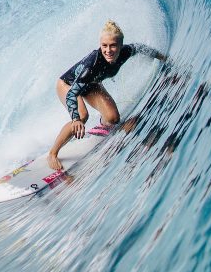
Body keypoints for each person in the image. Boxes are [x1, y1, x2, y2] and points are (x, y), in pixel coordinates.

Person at [48, 20, 166, 171]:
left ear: (120, 45)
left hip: (90, 84)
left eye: (113, 45)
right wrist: (76, 118)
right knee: (83, 116)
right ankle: (52, 153)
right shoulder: (91, 66)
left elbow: (141, 48)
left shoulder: (126, 51)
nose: (108, 50)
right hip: (68, 85)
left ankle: (102, 126)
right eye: (104, 46)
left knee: (113, 119)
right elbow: (72, 93)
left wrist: (164, 59)